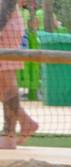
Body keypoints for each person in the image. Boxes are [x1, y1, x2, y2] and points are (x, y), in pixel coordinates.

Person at [0, 0, 36, 149]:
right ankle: (26, 122)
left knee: (7, 83)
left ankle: (9, 135)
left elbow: (7, 4)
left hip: (5, 28)